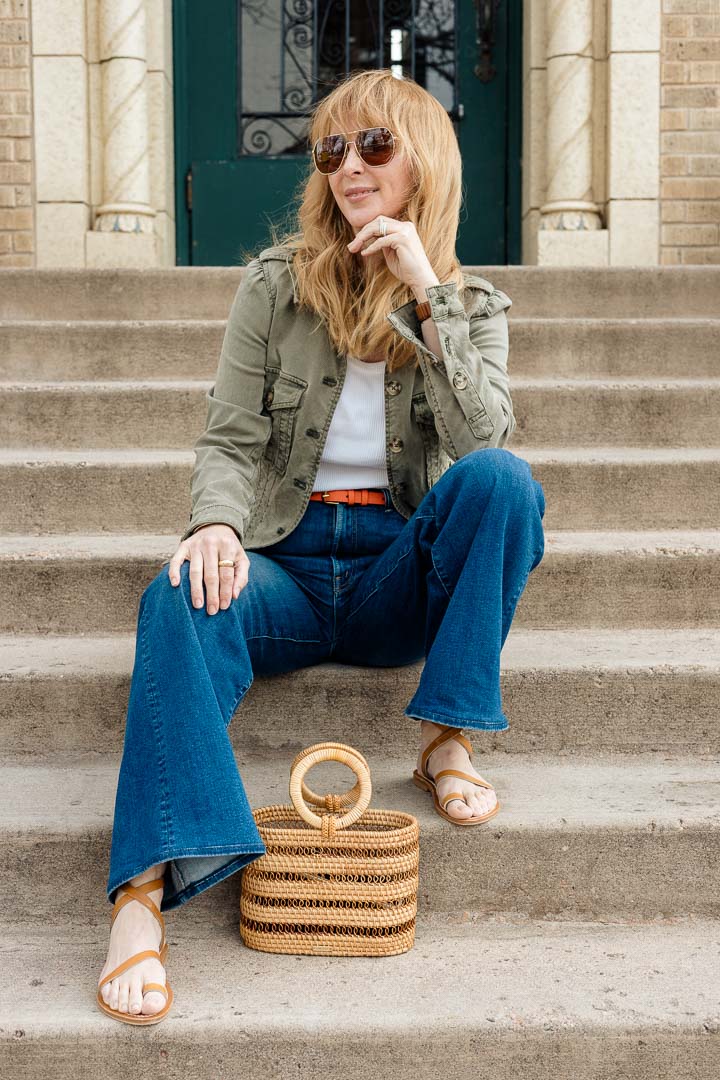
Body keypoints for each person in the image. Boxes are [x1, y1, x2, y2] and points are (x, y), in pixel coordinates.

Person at [96, 68, 546, 1024]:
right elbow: (229, 435)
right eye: (332, 149)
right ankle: (142, 894)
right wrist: (215, 521)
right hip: (285, 569)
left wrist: (429, 298)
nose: (349, 166)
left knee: (507, 483)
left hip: (396, 575)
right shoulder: (275, 285)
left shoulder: (475, 307)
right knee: (176, 590)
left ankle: (446, 735)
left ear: (425, 162)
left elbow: (483, 442)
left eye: (375, 145)